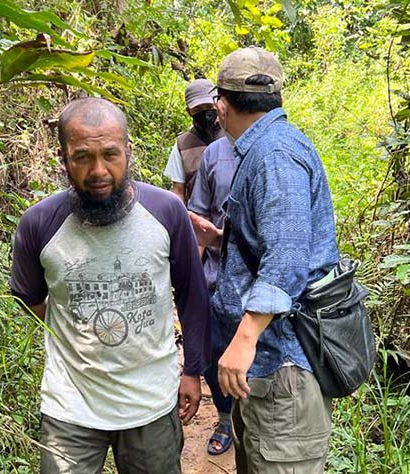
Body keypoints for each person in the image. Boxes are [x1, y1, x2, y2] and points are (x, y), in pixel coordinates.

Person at [10, 97, 210, 474]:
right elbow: (31, 298)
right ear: (63, 158)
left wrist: (192, 371)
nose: (98, 170)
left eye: (110, 154)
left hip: (150, 404)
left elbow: (192, 295)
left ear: (128, 152)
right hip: (69, 409)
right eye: (82, 156)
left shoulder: (167, 212)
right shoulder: (38, 224)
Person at [212, 47, 340, 473]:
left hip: (282, 366)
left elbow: (286, 258)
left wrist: (244, 337)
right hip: (268, 371)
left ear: (221, 106)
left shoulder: (274, 155)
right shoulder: (270, 147)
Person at [186, 136, 238, 455]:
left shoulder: (278, 152)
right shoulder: (214, 155)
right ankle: (226, 419)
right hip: (214, 276)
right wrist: (191, 275)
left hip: (256, 283)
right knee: (211, 354)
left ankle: (250, 420)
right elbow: (199, 218)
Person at [163, 78, 223, 204]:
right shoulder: (182, 144)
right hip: (197, 219)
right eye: (197, 109)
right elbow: (178, 191)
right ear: (189, 112)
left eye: (208, 106)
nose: (204, 113)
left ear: (218, 103)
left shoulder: (232, 134)